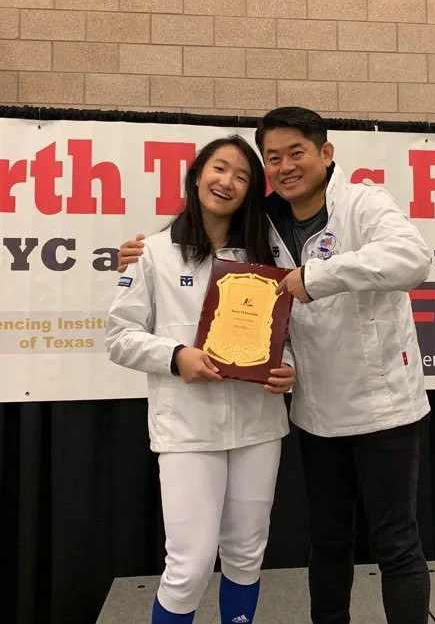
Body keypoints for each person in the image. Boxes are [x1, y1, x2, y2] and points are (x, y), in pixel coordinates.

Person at [118, 107, 433, 624]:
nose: (286, 166)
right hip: (315, 413)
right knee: (327, 541)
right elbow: (248, 296)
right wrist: (143, 251)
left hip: (384, 407)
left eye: (296, 153)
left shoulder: (363, 203)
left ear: (325, 153)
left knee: (396, 544)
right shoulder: (262, 224)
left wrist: (318, 276)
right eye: (273, 158)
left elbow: (413, 260)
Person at [105, 134, 297, 624]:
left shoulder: (266, 254)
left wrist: (288, 368)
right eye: (219, 168)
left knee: (247, 554)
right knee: (188, 567)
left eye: (242, 176)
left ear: (251, 192)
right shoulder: (151, 252)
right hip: (188, 429)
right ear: (196, 176)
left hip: (258, 425)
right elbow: (119, 337)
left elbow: (289, 330)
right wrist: (175, 357)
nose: (227, 182)